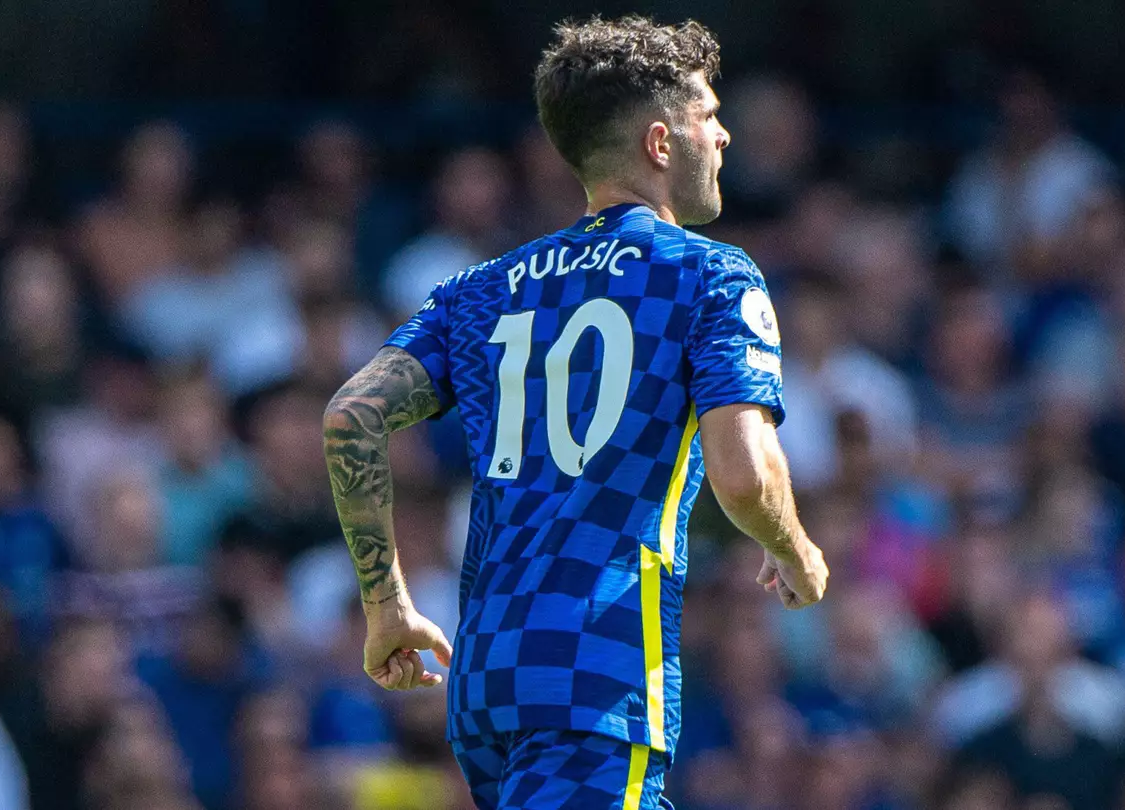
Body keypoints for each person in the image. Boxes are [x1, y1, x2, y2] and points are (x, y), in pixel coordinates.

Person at [320, 15, 829, 809]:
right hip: (596, 668)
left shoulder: (481, 288)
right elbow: (742, 473)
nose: (725, 136)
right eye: (709, 114)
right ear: (661, 143)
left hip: (486, 679)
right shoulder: (712, 277)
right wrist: (793, 546)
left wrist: (386, 609)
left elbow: (350, 416)